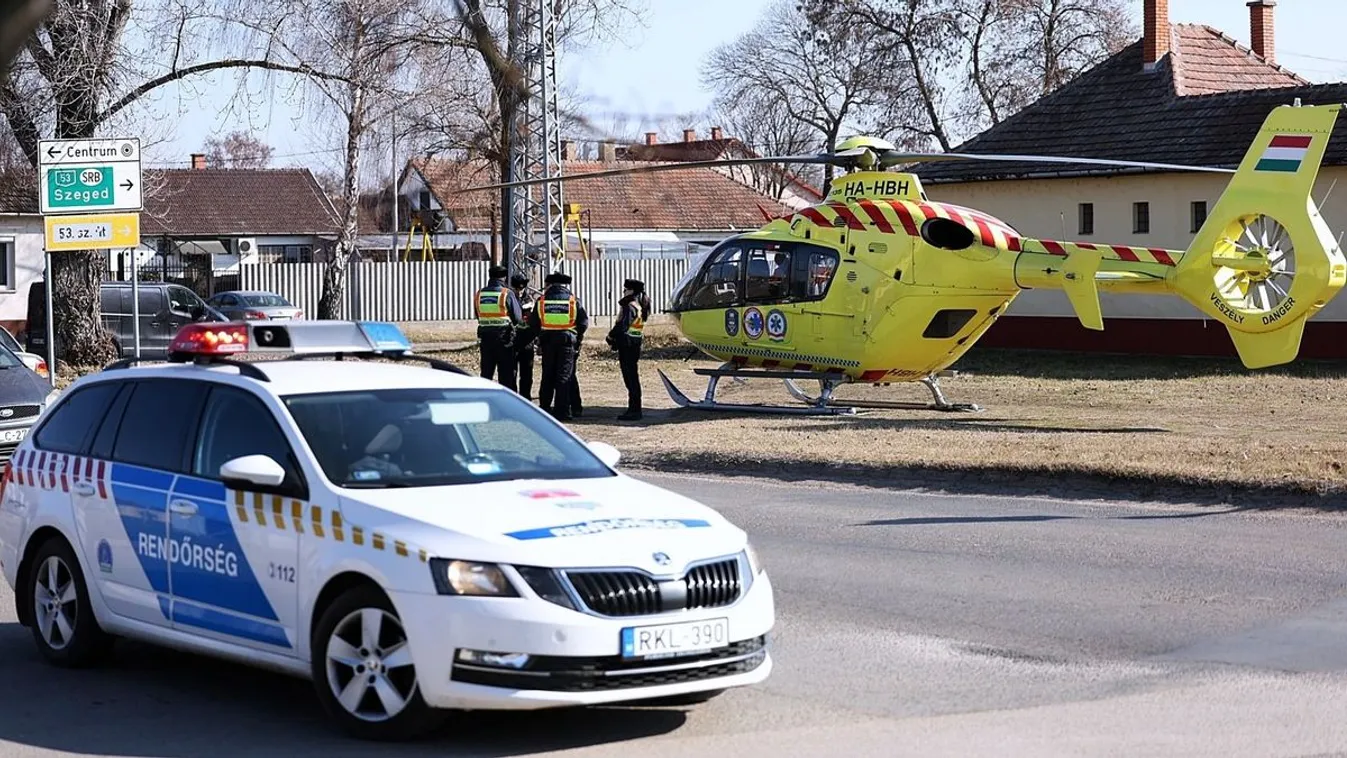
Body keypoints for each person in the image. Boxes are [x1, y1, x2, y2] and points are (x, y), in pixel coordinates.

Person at [526, 270, 588, 421]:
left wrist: (538, 339)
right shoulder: (573, 301)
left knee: (547, 375)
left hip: (548, 343)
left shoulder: (542, 301)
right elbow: (583, 323)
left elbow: (533, 324)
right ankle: (563, 411)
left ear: (549, 284)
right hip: (567, 343)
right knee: (564, 376)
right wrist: (577, 338)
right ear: (565, 285)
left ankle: (545, 409)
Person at [474, 264, 524, 392]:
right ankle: (507, 405)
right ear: (504, 278)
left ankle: (484, 400)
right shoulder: (506, 293)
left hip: (485, 338)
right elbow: (517, 318)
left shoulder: (480, 293)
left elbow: (478, 315)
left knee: (486, 373)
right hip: (504, 339)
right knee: (506, 375)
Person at [606, 278, 650, 421]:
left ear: (630, 290)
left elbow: (622, 326)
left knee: (630, 378)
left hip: (627, 345)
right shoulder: (639, 305)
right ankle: (634, 408)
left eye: (625, 289)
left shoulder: (629, 305)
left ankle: (634, 410)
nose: (623, 292)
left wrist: (611, 336)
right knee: (633, 377)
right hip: (634, 344)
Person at [510, 273, 537, 401]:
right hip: (512, 341)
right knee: (511, 373)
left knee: (527, 374)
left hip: (527, 341)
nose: (520, 291)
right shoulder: (508, 298)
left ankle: (525, 398)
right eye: (517, 289)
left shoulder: (530, 300)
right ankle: (513, 398)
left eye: (522, 288)